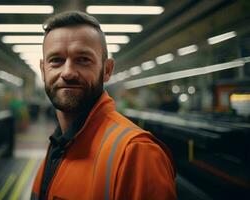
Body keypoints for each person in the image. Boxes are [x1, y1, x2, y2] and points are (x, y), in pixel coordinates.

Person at [31, 11, 177, 200]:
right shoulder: (59, 145)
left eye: (83, 59)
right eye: (56, 60)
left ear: (107, 70)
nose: (68, 72)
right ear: (43, 70)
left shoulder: (136, 154)